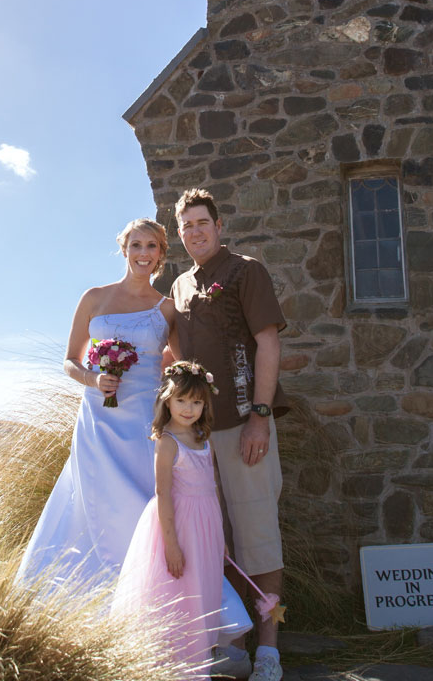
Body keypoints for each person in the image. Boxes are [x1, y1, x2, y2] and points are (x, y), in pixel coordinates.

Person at [16, 218, 253, 647]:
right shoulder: (93, 298)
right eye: (136, 245)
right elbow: (70, 360)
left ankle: (155, 615)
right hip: (98, 423)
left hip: (145, 424)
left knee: (145, 507)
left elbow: (181, 371)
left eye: (152, 247)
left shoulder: (165, 309)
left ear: (161, 254)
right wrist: (93, 380)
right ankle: (83, 617)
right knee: (91, 504)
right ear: (123, 249)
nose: (143, 254)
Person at [170, 188, 288, 681]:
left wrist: (260, 416)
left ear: (219, 226)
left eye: (202, 222)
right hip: (194, 435)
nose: (195, 232)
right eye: (186, 226)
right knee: (206, 539)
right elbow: (172, 354)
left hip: (243, 424)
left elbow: (268, 343)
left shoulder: (246, 271)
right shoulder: (177, 286)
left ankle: (268, 650)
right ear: (180, 235)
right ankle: (227, 643)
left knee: (257, 534)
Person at [112, 362, 226, 680]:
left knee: (203, 591)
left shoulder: (204, 439)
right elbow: (163, 494)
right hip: (179, 527)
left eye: (197, 402)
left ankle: (198, 665)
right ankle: (172, 668)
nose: (188, 409)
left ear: (205, 404)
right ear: (167, 400)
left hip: (205, 527)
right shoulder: (167, 442)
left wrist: (220, 538)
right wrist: (172, 545)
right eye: (181, 400)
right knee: (180, 595)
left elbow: (211, 488)